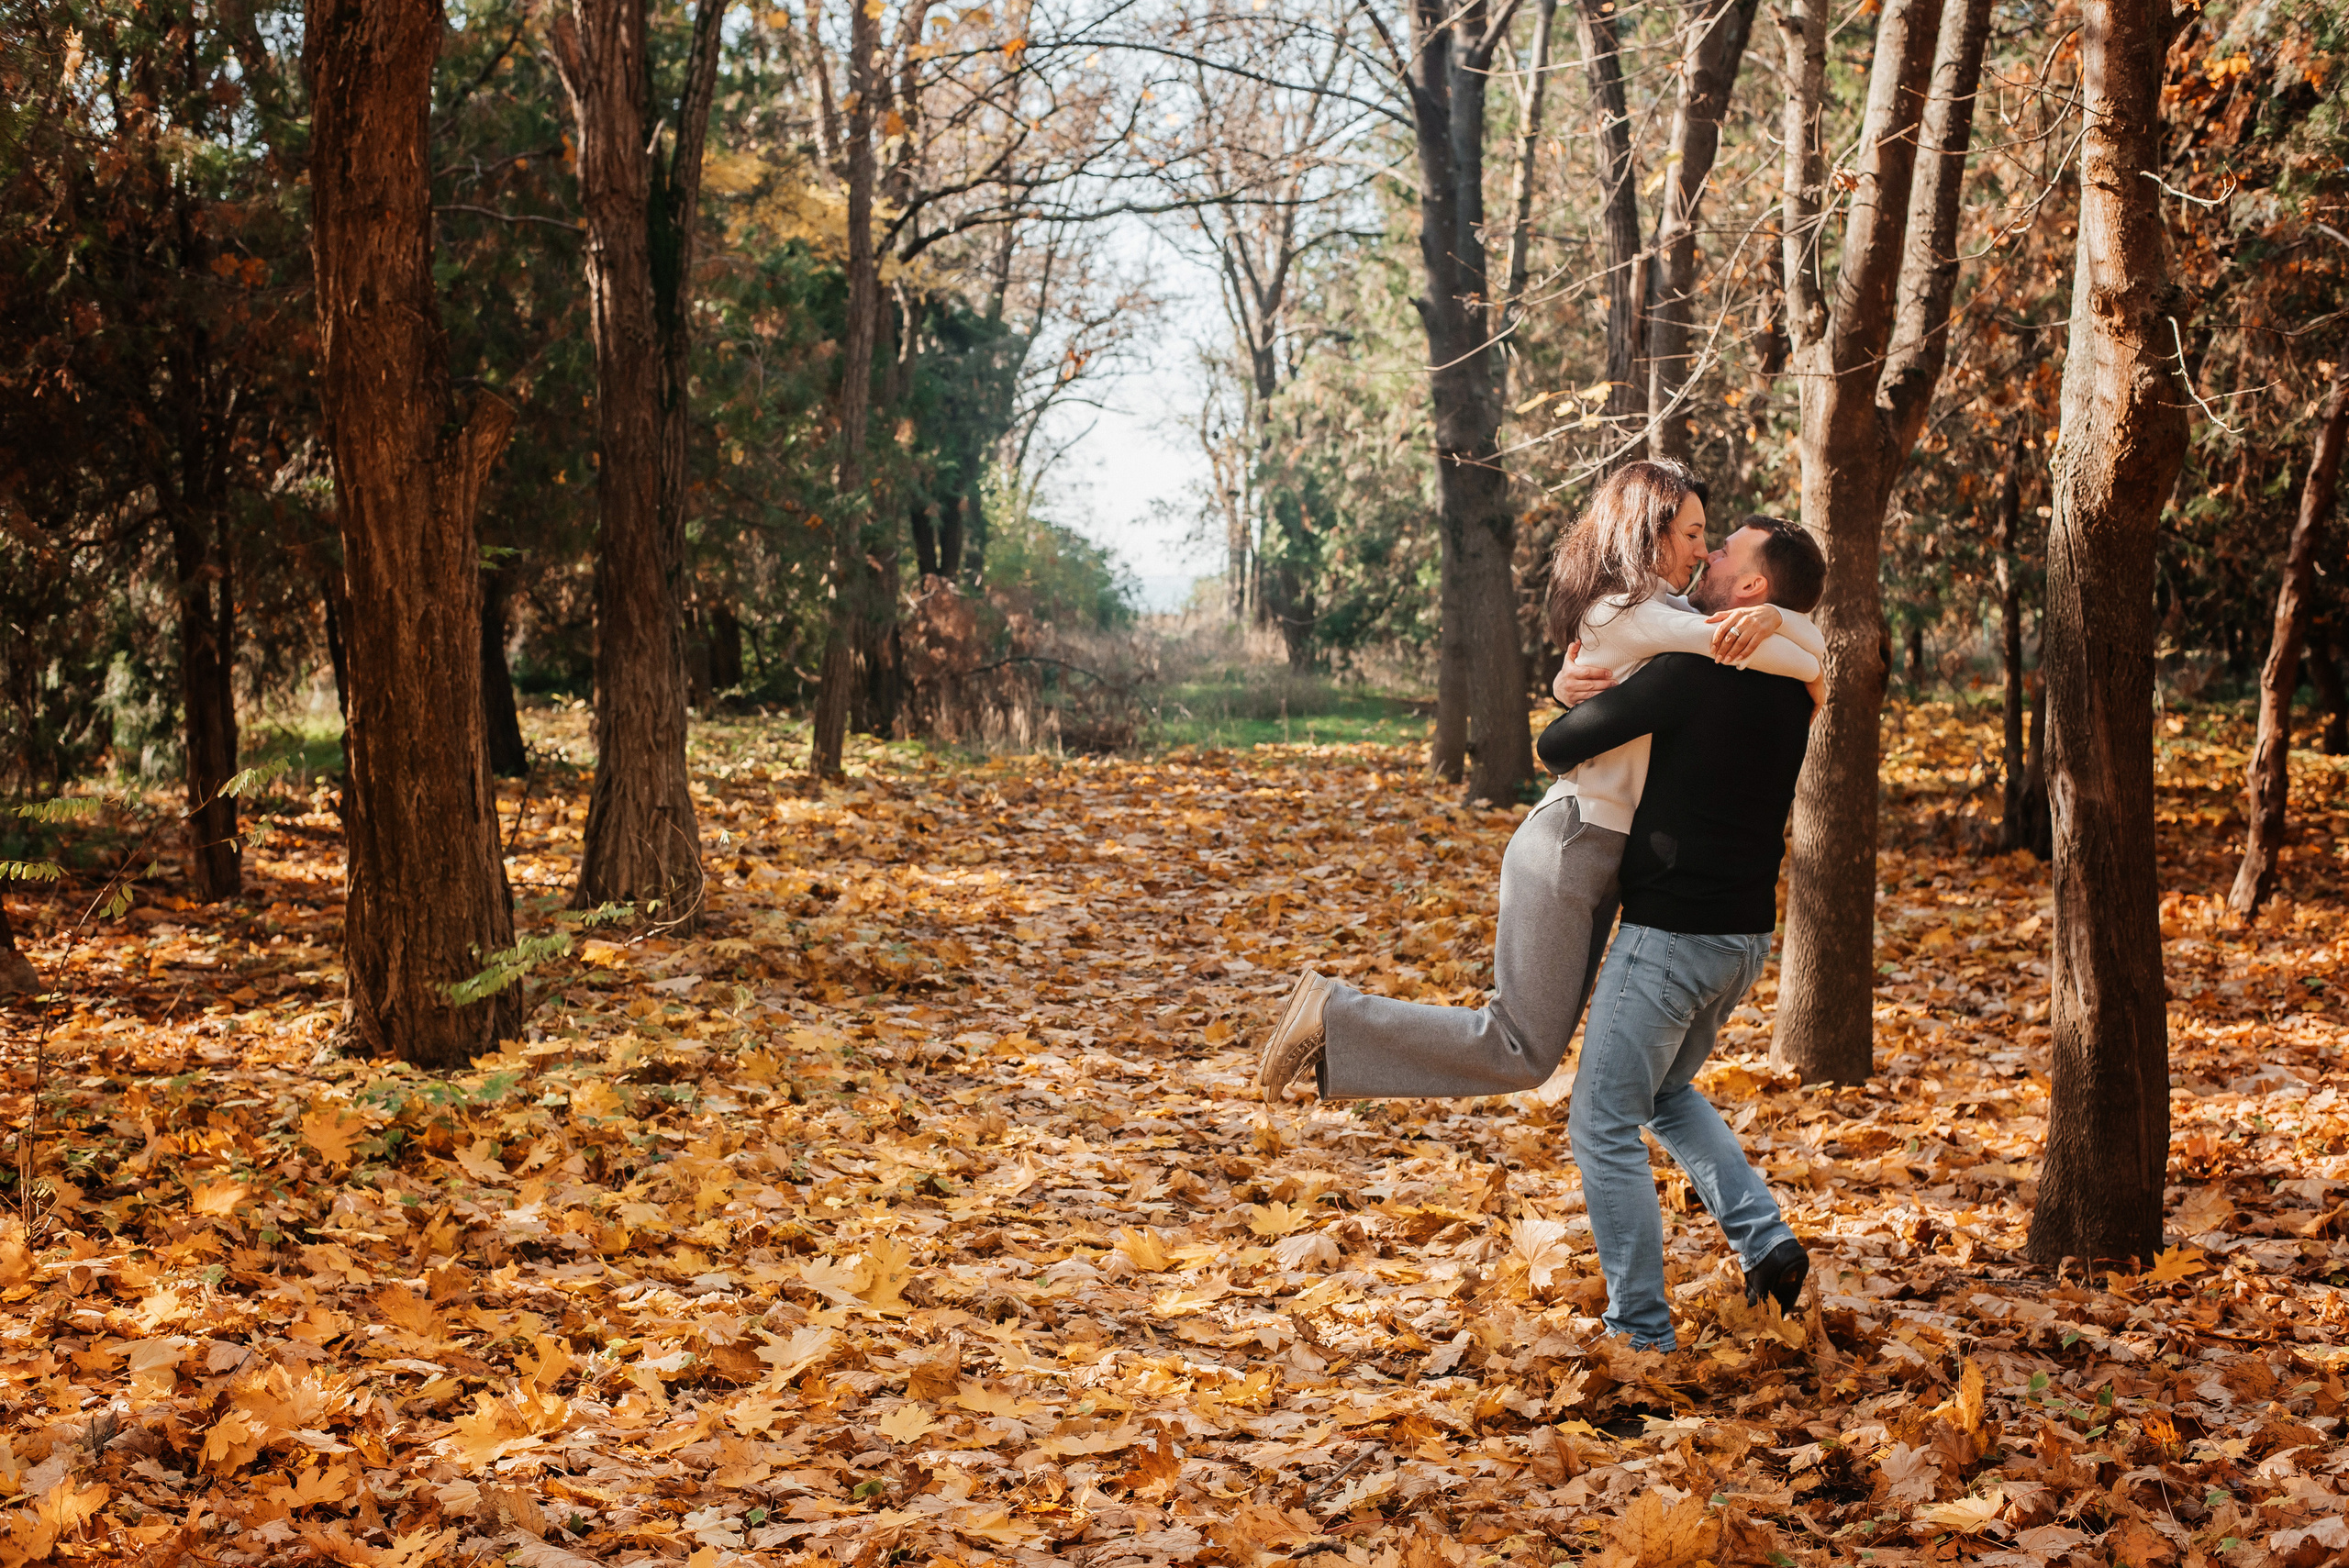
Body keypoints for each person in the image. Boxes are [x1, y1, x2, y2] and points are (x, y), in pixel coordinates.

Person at [1256, 462, 1821, 1107]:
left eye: (1709, 539)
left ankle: (1335, 1023)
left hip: (1602, 852)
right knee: (1518, 1045)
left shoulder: (1663, 609)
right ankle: (1334, 1014)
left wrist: (1779, 624)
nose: (1701, 550)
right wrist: (1798, 645)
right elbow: (1752, 647)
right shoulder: (1629, 609)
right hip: (1574, 838)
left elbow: (1749, 641)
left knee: (1530, 1052)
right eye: (1693, 534)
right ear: (1650, 532)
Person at [1531, 514, 1829, 1348]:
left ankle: (1640, 1331)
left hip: (1670, 936)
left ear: (1752, 589)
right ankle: (1766, 1242)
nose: (1707, 555)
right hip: (1741, 941)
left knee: (1599, 1121)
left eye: (1724, 549)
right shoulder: (1798, 686)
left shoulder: (1690, 673)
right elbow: (1814, 647)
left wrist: (1573, 689)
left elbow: (1558, 745)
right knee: (1660, 1094)